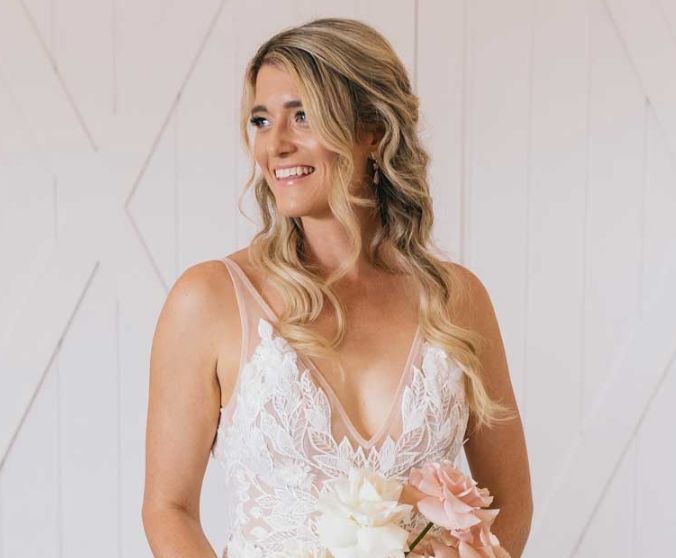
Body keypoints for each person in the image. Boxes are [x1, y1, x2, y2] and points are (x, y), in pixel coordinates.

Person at [142, 17, 533, 558]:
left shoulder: (457, 301)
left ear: (372, 132)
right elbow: (168, 509)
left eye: (301, 115)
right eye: (261, 120)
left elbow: (511, 501)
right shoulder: (208, 299)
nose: (274, 145)